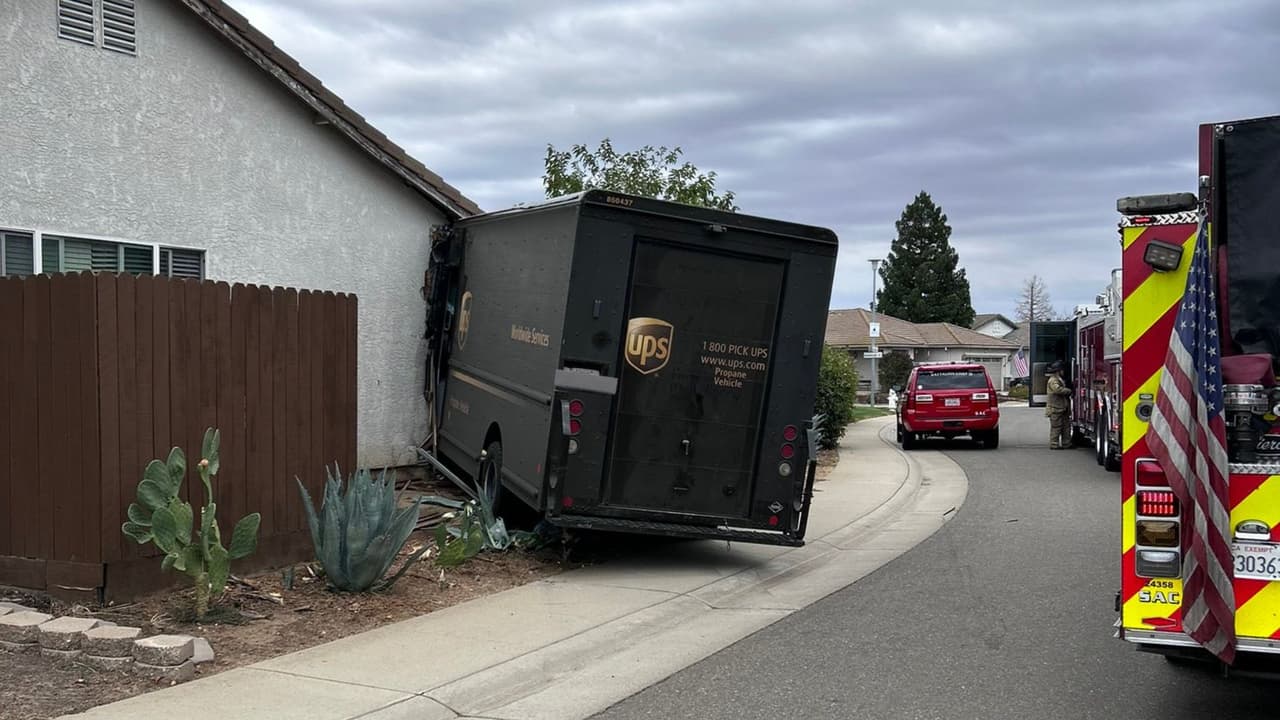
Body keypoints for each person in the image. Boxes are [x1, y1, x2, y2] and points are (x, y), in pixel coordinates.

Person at [1045, 361, 1072, 449]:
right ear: (1058, 371)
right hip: (1055, 408)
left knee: (1066, 427)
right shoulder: (1053, 380)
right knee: (1056, 427)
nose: (1063, 372)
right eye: (1062, 370)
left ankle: (1066, 443)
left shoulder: (1058, 379)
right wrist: (1068, 391)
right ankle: (1054, 444)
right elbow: (1057, 390)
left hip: (1062, 408)